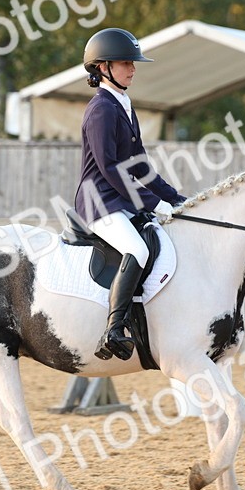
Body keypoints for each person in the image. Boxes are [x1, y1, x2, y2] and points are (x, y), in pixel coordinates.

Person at [74, 28, 186, 361]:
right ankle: (113, 329)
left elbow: (139, 164)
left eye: (133, 63)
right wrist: (152, 202)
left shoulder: (124, 105)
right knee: (137, 248)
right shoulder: (101, 110)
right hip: (99, 201)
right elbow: (110, 168)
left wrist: (175, 198)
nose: (133, 69)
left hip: (119, 199)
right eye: (125, 63)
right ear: (103, 67)